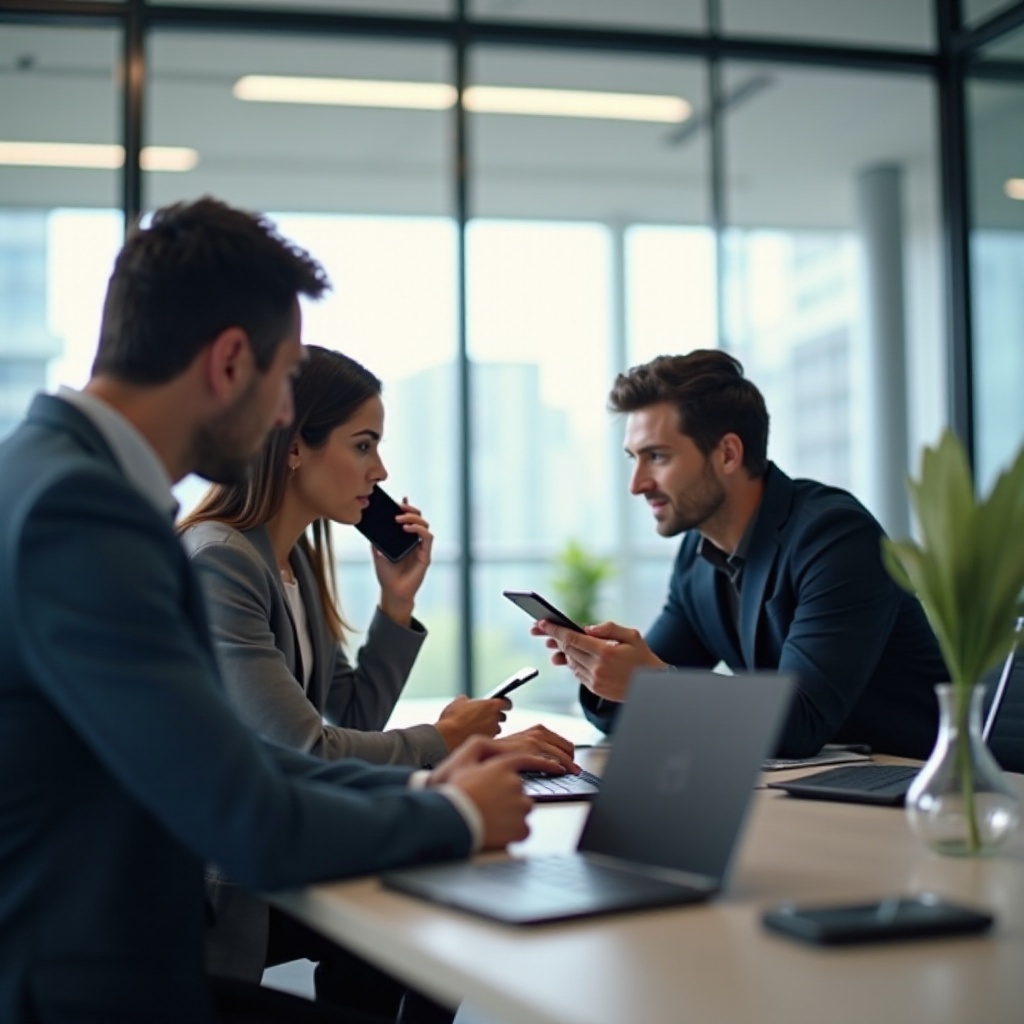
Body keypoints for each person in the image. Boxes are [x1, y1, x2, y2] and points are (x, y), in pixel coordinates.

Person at [0, 197, 556, 1024]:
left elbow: (237, 756)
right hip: (87, 990)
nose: (283, 413)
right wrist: (449, 813)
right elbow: (244, 809)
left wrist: (424, 790)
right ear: (230, 361)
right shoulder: (83, 512)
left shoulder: (51, 475)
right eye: (285, 379)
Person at [177, 344, 574, 1008]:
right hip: (222, 885)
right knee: (432, 889)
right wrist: (446, 740)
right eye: (363, 445)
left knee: (435, 907)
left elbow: (351, 717)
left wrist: (397, 604)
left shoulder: (293, 563)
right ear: (293, 445)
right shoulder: (221, 561)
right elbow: (303, 747)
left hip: (282, 851)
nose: (380, 469)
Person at [531, 349, 948, 760]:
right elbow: (642, 696)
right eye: (633, 459)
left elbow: (801, 721)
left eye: (657, 456)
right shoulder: (698, 553)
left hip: (914, 787)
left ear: (728, 454)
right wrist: (605, 671)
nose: (637, 484)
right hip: (810, 790)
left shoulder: (835, 536)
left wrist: (651, 681)